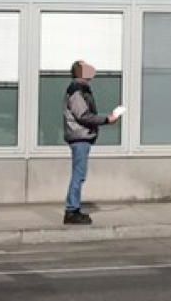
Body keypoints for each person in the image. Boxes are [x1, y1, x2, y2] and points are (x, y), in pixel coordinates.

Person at [63, 61, 119, 225]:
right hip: (80, 136)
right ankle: (72, 211)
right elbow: (83, 115)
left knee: (79, 174)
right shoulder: (76, 91)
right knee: (79, 175)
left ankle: (73, 209)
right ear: (80, 72)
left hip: (81, 136)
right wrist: (107, 120)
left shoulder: (80, 89)